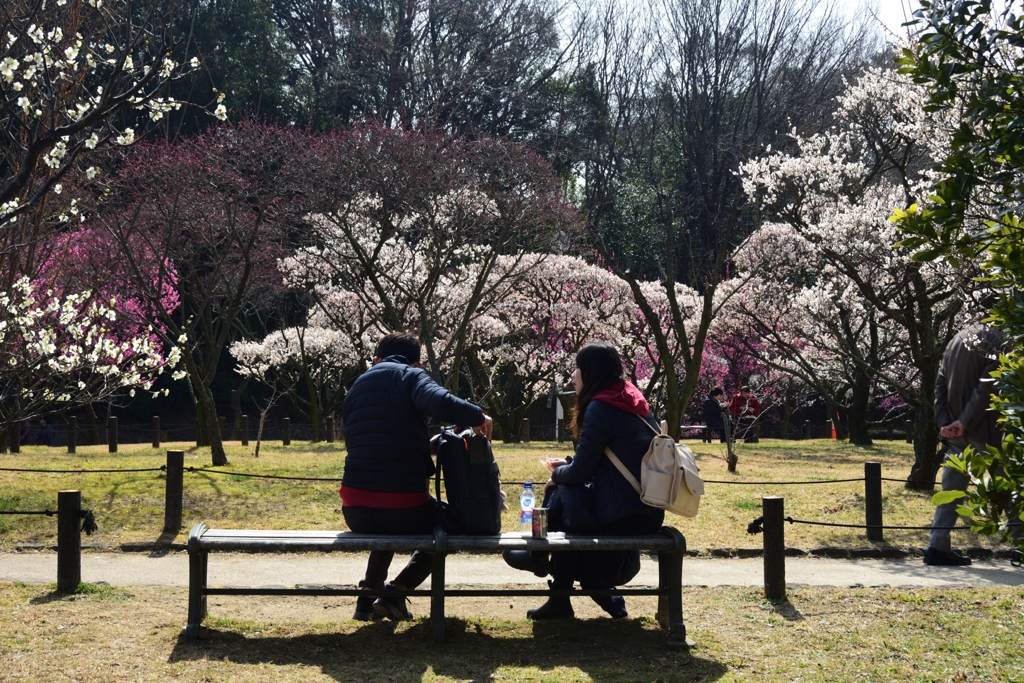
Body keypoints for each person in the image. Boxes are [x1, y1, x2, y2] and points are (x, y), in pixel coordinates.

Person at [504, 343, 665, 620]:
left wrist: (556, 475)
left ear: (590, 372)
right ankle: (592, 591)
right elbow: (604, 463)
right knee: (568, 501)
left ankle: (539, 557)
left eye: (577, 368)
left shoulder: (601, 407)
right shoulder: (632, 402)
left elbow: (580, 473)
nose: (573, 376)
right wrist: (568, 465)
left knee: (563, 493)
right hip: (647, 512)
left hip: (622, 516)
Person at [340, 332, 492, 621]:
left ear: (376, 359)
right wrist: (478, 417)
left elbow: (374, 442)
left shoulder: (357, 386)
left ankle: (367, 597)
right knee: (455, 526)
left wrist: (424, 447)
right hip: (403, 508)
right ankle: (398, 591)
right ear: (418, 363)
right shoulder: (410, 376)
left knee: (387, 520)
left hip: (354, 508)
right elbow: (441, 402)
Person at [926, 322, 1006, 566]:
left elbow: (940, 383)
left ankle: (937, 545)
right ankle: (1020, 544)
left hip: (955, 431)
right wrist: (965, 421)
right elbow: (987, 387)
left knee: (951, 489)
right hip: (987, 430)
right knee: (1010, 484)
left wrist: (945, 422)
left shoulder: (958, 338)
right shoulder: (998, 340)